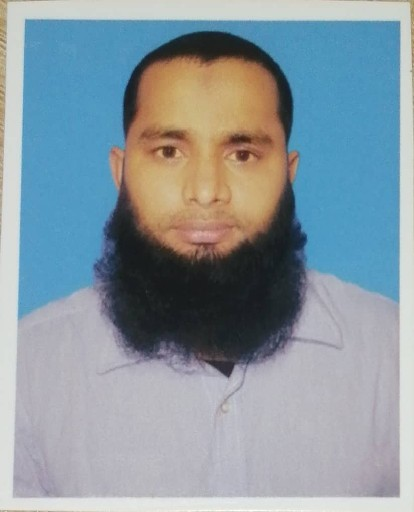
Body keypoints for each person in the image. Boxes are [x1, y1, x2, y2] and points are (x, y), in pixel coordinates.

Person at [13, 30, 399, 497]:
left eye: (242, 154)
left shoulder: (393, 352)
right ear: (120, 171)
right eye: (169, 151)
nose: (205, 190)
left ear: (288, 173)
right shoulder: (24, 371)